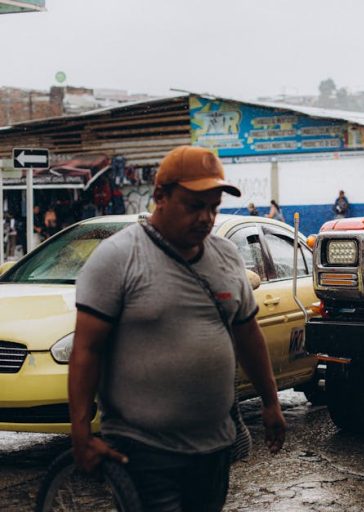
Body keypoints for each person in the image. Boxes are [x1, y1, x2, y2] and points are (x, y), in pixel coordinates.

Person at [69, 145, 286, 511]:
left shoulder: (226, 256)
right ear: (160, 197)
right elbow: (86, 349)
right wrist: (80, 430)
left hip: (214, 446)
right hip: (143, 450)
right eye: (193, 205)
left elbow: (248, 334)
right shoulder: (118, 257)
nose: (205, 218)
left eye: (213, 208)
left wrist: (271, 401)